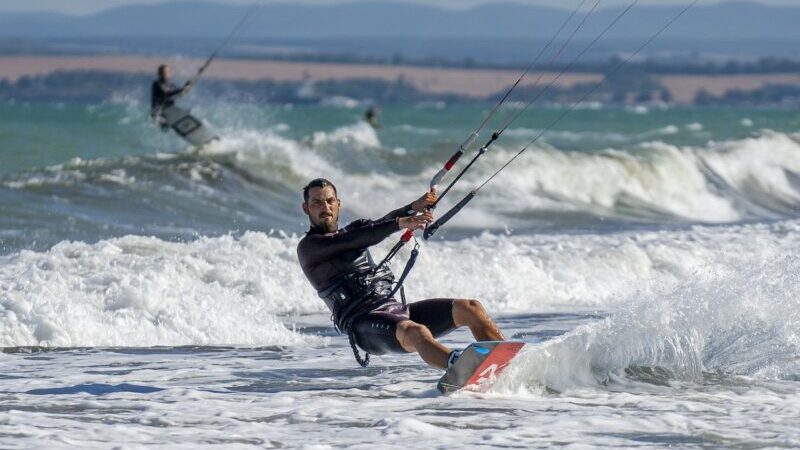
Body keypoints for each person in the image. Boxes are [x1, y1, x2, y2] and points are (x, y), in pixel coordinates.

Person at [296, 178, 505, 370]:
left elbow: (378, 224)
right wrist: (399, 224)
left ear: (338, 203)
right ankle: (462, 368)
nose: (326, 207)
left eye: (330, 201)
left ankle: (505, 363)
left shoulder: (354, 229)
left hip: (394, 310)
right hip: (363, 323)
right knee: (417, 332)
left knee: (470, 308)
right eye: (317, 203)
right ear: (306, 208)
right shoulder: (309, 248)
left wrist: (412, 208)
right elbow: (356, 240)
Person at [150, 64, 193, 130]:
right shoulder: (157, 84)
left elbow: (180, 93)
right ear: (160, 74)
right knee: (165, 126)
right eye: (165, 72)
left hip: (169, 112)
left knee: (186, 112)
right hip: (158, 114)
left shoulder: (170, 85)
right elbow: (167, 93)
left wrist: (186, 87)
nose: (167, 74)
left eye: (168, 72)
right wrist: (182, 89)